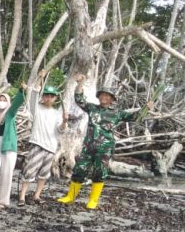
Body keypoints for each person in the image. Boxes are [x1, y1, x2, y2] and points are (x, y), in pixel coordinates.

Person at [58, 74, 152, 209]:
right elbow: (79, 99)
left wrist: (146, 108)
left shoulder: (117, 113)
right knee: (79, 170)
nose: (104, 97)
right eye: (102, 95)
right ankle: (70, 197)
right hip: (88, 147)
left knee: (99, 173)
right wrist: (80, 83)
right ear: (99, 96)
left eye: (107, 96)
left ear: (112, 99)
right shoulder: (92, 108)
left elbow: (135, 118)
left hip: (105, 149)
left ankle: (93, 201)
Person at [18, 84, 67, 206]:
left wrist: (65, 121)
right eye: (46, 96)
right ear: (43, 97)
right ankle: (22, 196)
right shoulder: (37, 109)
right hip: (37, 143)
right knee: (29, 170)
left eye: (51, 96)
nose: (49, 98)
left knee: (44, 174)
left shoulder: (57, 113)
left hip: (51, 146)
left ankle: (37, 195)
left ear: (55, 98)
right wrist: (39, 79)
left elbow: (61, 130)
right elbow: (33, 96)